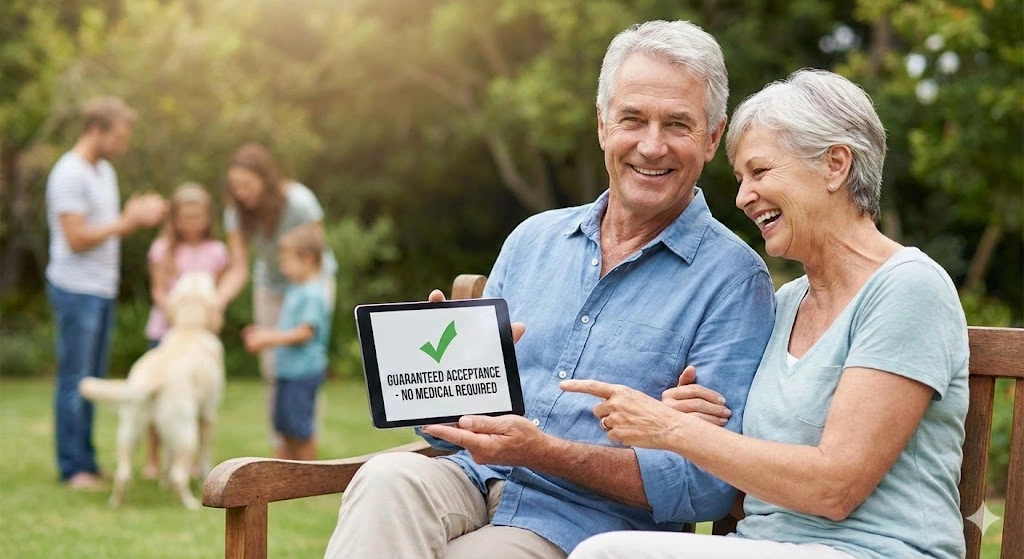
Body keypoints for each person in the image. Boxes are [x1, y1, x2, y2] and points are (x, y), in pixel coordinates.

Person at [324, 20, 776, 559]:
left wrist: (547, 453)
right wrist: (436, 390)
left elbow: (706, 485)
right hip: (470, 478)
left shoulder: (733, 280)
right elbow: (455, 434)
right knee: (386, 477)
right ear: (603, 124)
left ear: (711, 137)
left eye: (677, 124)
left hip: (582, 524)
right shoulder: (533, 239)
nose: (651, 146)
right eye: (633, 118)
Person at [564, 69, 969, 559]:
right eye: (739, 179)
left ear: (835, 165)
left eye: (759, 172)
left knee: (605, 555)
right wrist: (695, 417)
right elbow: (732, 463)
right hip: (767, 547)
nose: (742, 197)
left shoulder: (908, 287)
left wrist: (674, 431)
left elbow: (835, 487)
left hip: (875, 552)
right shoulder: (781, 305)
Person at [45, 96, 168, 490]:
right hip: (75, 289)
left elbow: (107, 224)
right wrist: (128, 222)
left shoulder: (104, 172)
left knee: (93, 380)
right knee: (75, 379)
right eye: (119, 136)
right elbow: (76, 237)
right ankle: (73, 467)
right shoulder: (69, 173)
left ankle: (88, 462)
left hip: (101, 289)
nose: (123, 145)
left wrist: (134, 214)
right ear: (95, 130)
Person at [215, 143, 337, 450]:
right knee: (274, 369)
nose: (240, 192)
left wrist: (312, 292)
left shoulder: (298, 201)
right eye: (234, 186)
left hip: (311, 282)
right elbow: (239, 267)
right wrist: (216, 302)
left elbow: (317, 252)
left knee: (306, 363)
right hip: (270, 285)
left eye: (246, 184)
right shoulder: (236, 213)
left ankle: (307, 440)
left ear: (265, 178)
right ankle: (281, 447)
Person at [141, 182, 229, 479]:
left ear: (207, 218)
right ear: (175, 219)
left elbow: (213, 295)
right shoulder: (163, 249)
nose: (191, 223)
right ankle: (153, 458)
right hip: (165, 332)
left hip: (198, 338)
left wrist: (204, 316)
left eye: (197, 216)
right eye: (185, 216)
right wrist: (174, 312)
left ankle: (190, 458)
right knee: (156, 391)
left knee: (192, 397)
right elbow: (158, 290)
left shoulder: (216, 251)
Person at [241, 223, 330, 460]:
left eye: (286, 260)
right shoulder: (296, 289)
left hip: (302, 373)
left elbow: (305, 332)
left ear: (308, 259)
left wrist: (268, 338)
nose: (282, 267)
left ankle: (310, 477)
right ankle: (285, 472)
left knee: (301, 429)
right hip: (288, 372)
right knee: (285, 427)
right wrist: (263, 332)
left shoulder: (313, 292)